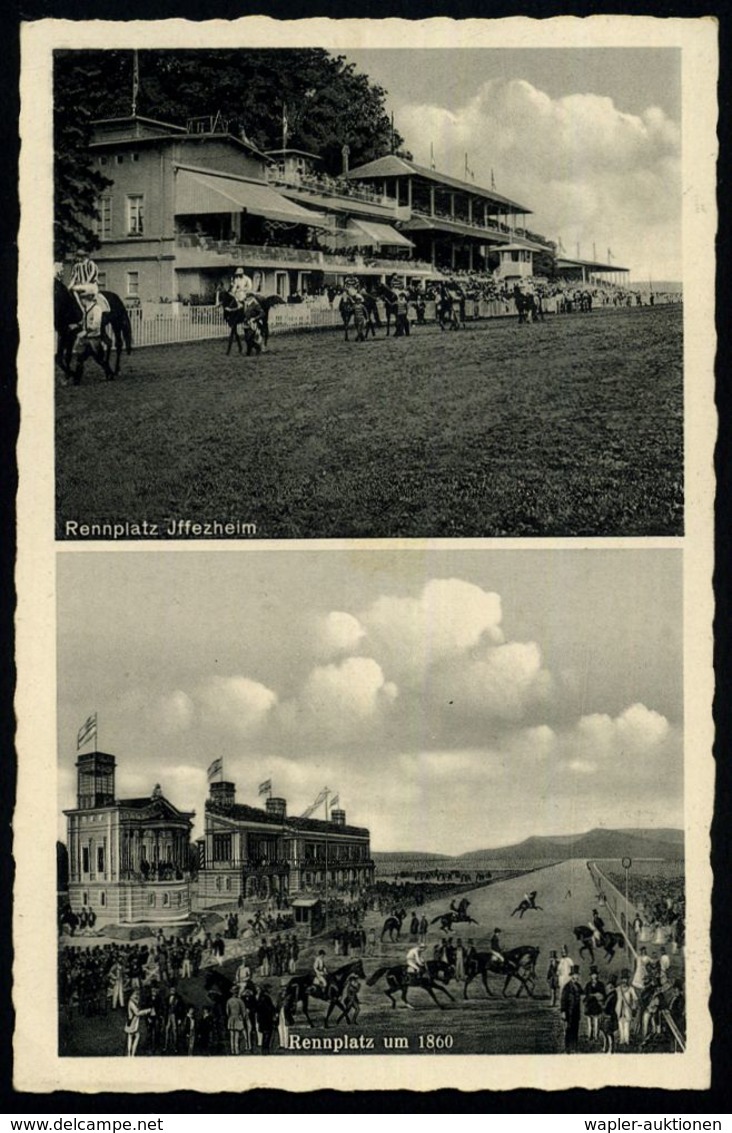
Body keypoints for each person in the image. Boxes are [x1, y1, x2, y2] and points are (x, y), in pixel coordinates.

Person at [560, 965, 583, 1053]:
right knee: (568, 1030)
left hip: (576, 1012)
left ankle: (574, 1047)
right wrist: (563, 1011)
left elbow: (583, 994)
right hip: (568, 1013)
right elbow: (563, 1000)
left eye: (577, 975)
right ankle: (568, 1048)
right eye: (575, 975)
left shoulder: (578, 986)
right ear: (572, 976)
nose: (576, 977)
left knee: (575, 1030)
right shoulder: (567, 987)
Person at [124, 988, 152, 1057]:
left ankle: (130, 1054)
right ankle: (131, 1054)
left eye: (137, 994)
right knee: (134, 1036)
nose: (136, 996)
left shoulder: (134, 1001)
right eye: (135, 994)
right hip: (132, 1022)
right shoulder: (131, 1002)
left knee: (132, 1036)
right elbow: (137, 1013)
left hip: (133, 1022)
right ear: (131, 995)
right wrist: (147, 1011)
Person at [615, 969, 638, 1046]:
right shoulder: (618, 989)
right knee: (620, 1025)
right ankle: (621, 1040)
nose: (624, 981)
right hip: (619, 1010)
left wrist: (634, 1007)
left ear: (628, 980)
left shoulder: (631, 989)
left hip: (627, 1010)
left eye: (626, 979)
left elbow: (635, 999)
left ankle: (627, 1041)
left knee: (627, 1025)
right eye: (623, 979)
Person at [583, 967, 606, 1042]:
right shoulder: (588, 985)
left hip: (597, 1006)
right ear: (591, 976)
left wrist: (600, 996)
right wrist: (592, 995)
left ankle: (596, 1036)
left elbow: (604, 995)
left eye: (595, 975)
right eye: (593, 975)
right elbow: (586, 995)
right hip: (589, 1006)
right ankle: (589, 1035)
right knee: (589, 1023)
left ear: (597, 976)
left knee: (596, 1022)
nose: (594, 976)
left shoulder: (601, 985)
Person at [226, 987, 246, 1055]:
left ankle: (232, 1050)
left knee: (232, 1035)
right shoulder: (240, 1001)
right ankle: (236, 1050)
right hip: (237, 1018)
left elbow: (227, 1012)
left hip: (231, 1018)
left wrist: (230, 1016)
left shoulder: (229, 1001)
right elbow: (243, 1011)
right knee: (236, 1035)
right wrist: (242, 1017)